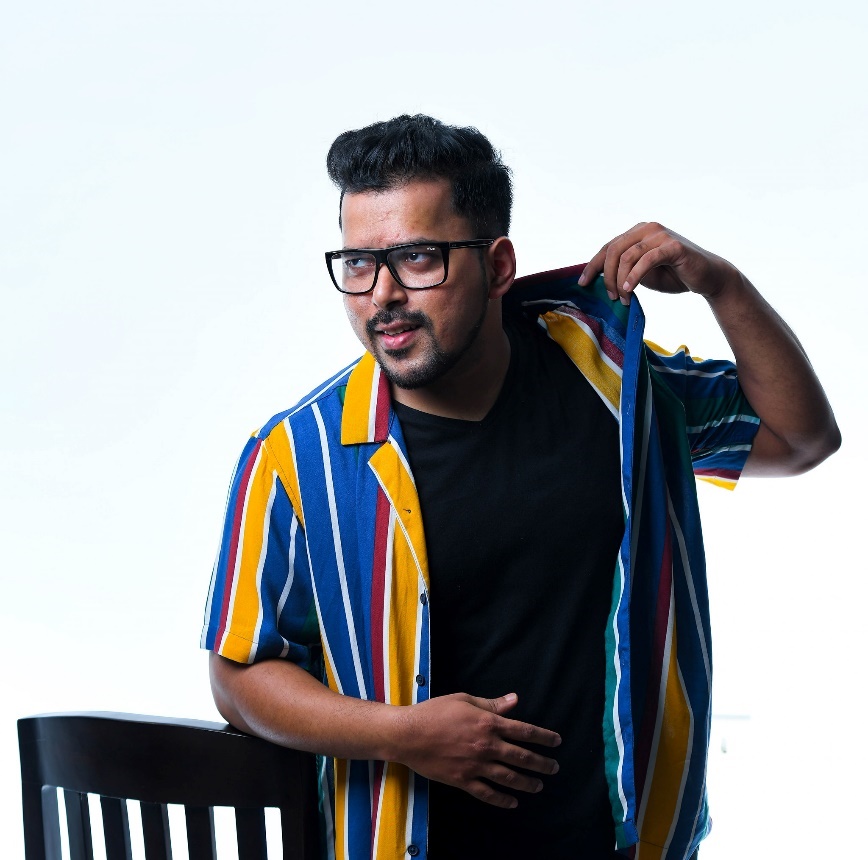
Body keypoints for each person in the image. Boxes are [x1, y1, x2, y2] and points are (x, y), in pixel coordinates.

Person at [200, 115, 839, 860]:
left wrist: (721, 285)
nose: (382, 295)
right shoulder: (293, 456)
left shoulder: (615, 382)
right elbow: (239, 673)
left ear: (499, 265)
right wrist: (402, 734)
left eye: (417, 258)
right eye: (359, 264)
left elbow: (801, 438)